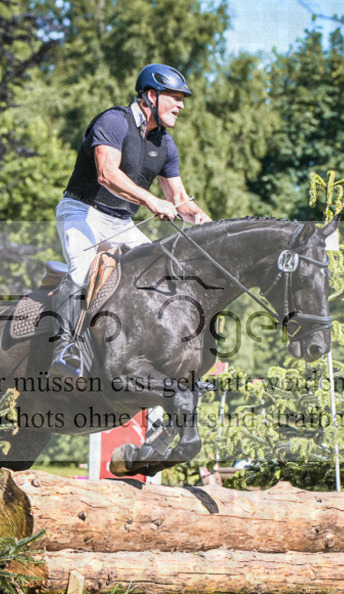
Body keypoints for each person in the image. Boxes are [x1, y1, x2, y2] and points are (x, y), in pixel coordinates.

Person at [50, 63, 212, 381]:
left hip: (121, 221)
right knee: (85, 272)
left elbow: (179, 198)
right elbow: (106, 174)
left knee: (165, 276)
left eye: (183, 99)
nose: (181, 105)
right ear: (151, 95)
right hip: (82, 211)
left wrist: (204, 221)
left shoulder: (165, 143)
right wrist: (151, 201)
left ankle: (165, 361)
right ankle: (65, 348)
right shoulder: (114, 120)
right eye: (175, 97)